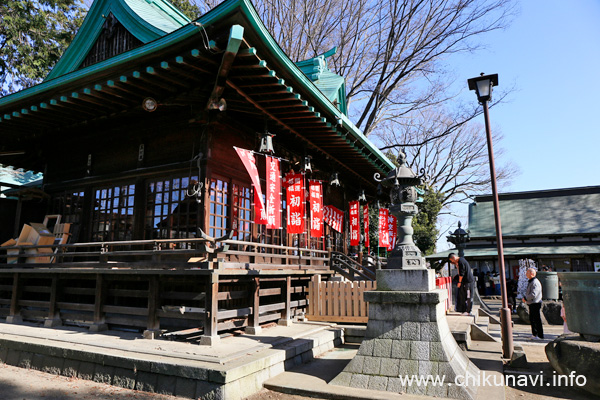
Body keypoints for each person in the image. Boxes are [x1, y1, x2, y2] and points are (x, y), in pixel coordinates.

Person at [522, 267, 544, 339]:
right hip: (532, 303)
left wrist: (526, 298)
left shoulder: (535, 282)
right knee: (532, 319)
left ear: (532, 274)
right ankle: (534, 334)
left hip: (535, 303)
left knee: (536, 319)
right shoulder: (531, 281)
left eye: (527, 272)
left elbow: (534, 294)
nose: (526, 274)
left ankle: (539, 335)